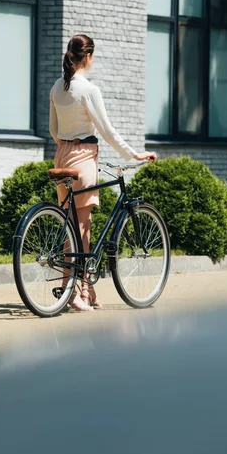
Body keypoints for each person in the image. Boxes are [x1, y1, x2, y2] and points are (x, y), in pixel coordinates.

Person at [49, 34, 156, 311]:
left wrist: (66, 145)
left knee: (72, 226)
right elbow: (107, 131)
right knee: (82, 227)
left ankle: (83, 288)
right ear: (88, 57)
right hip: (83, 157)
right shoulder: (88, 89)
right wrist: (134, 154)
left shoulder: (57, 88)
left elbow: (52, 129)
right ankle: (75, 292)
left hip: (62, 155)